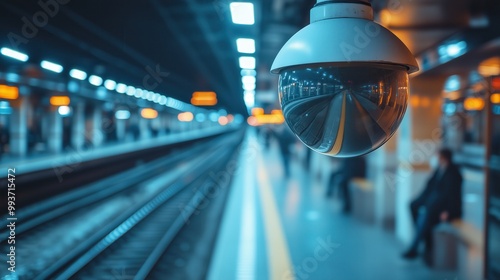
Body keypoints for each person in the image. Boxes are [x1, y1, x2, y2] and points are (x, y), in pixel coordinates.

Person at [402, 148, 463, 259]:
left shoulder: (454, 174)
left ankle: (415, 247)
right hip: (433, 203)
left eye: (437, 156)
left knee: (426, 215)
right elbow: (429, 188)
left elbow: (453, 196)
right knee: (413, 206)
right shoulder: (439, 170)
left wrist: (448, 212)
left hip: (444, 208)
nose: (435, 159)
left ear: (444, 158)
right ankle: (424, 237)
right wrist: (419, 200)